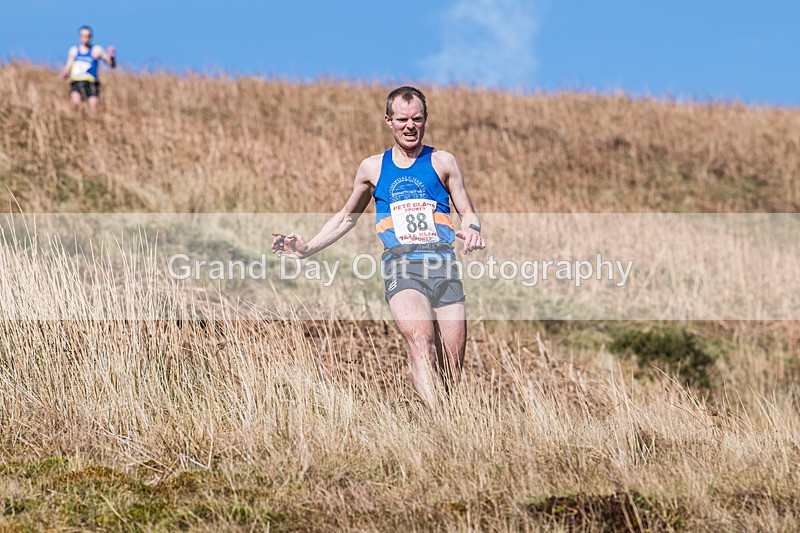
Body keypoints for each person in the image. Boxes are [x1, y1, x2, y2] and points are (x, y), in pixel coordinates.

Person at [272, 86, 486, 407]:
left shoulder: (443, 162)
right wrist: (307, 248)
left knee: (452, 368)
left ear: (425, 120)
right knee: (421, 342)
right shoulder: (373, 168)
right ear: (389, 121)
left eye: (417, 119)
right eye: (402, 119)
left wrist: (472, 230)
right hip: (402, 267)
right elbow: (347, 217)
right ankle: (438, 419)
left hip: (445, 268)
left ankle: (448, 423)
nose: (410, 126)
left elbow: (467, 212)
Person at [61, 25, 116, 115]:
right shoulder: (74, 51)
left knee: (93, 106)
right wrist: (65, 73)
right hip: (76, 82)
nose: (85, 39)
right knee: (75, 103)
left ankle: (93, 125)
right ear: (79, 37)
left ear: (91, 37)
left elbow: (111, 64)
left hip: (91, 83)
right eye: (83, 36)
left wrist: (112, 57)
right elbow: (68, 65)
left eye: (88, 36)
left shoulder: (96, 50)